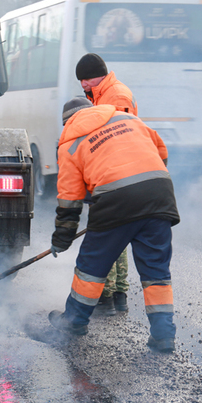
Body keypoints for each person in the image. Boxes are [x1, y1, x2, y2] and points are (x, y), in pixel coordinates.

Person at [48, 97, 180, 353]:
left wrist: (61, 239)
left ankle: (73, 323)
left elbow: (69, 201)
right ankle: (164, 336)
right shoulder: (128, 119)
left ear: (67, 122)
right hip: (159, 194)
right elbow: (161, 152)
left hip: (116, 201)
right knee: (156, 273)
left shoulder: (70, 144)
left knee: (91, 267)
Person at [76, 53, 138, 315]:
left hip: (116, 175)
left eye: (86, 80)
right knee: (116, 235)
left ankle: (109, 295)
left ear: (98, 75)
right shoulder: (103, 94)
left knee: (106, 234)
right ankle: (117, 295)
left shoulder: (117, 96)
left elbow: (117, 138)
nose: (83, 86)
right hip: (114, 173)